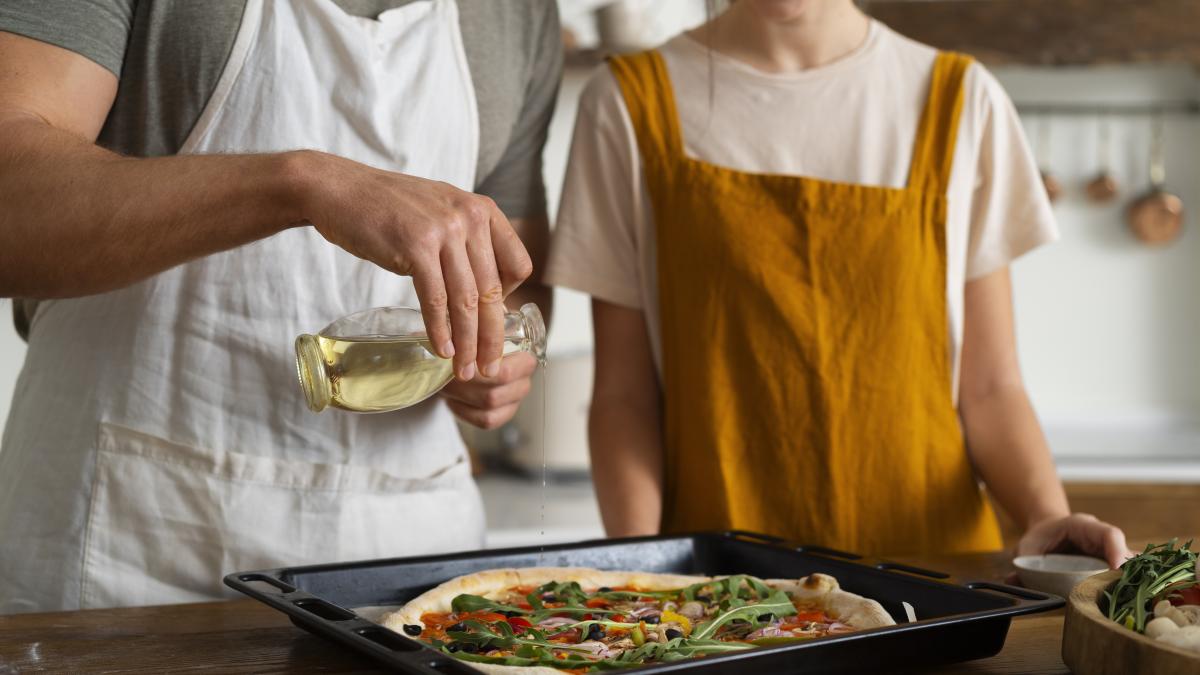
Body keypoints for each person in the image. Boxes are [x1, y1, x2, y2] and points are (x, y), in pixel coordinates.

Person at [0, 0, 560, 613]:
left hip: (404, 567)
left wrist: (497, 363)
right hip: (123, 553)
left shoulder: (520, 12)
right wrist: (301, 183)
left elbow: (516, 273)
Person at [548, 0, 1129, 565]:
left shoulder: (960, 99)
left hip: (933, 587)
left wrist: (1046, 516)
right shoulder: (627, 102)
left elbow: (990, 388)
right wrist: (640, 575)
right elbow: (625, 396)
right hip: (721, 603)